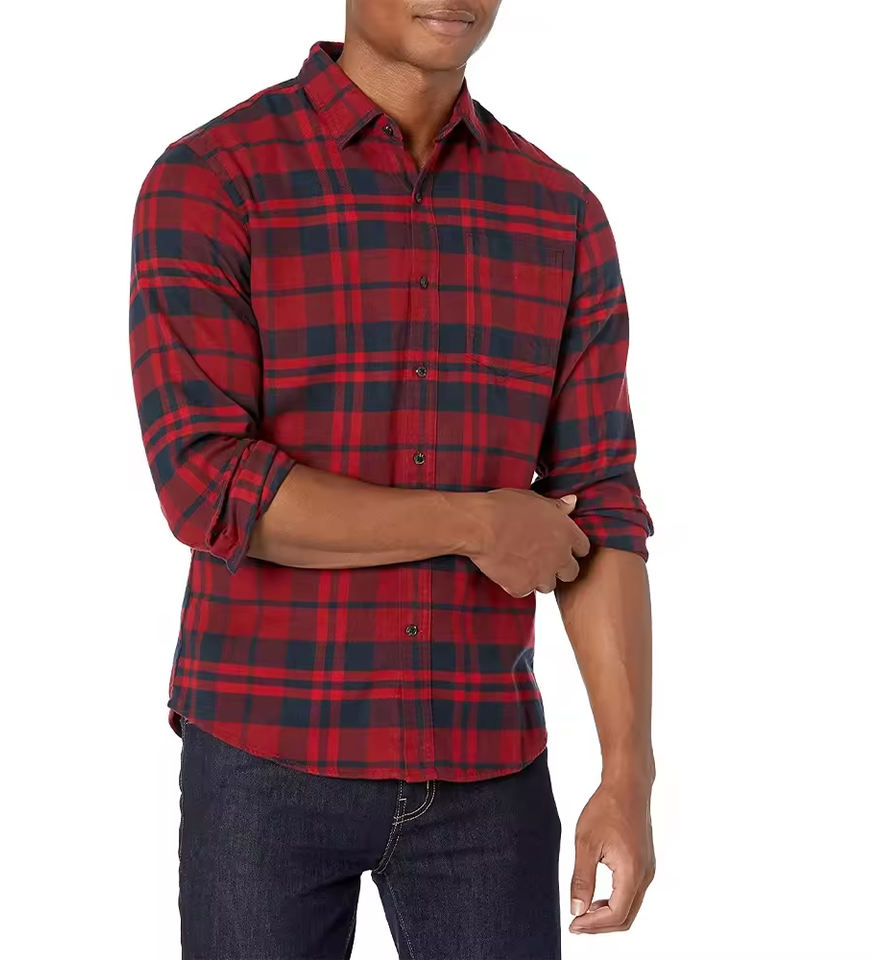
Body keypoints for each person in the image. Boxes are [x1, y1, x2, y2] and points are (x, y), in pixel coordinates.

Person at [128, 2, 655, 957]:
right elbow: (207, 483)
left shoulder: (561, 213)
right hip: (264, 752)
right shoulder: (212, 180)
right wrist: (477, 523)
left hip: (487, 766)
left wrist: (627, 774)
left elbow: (602, 500)